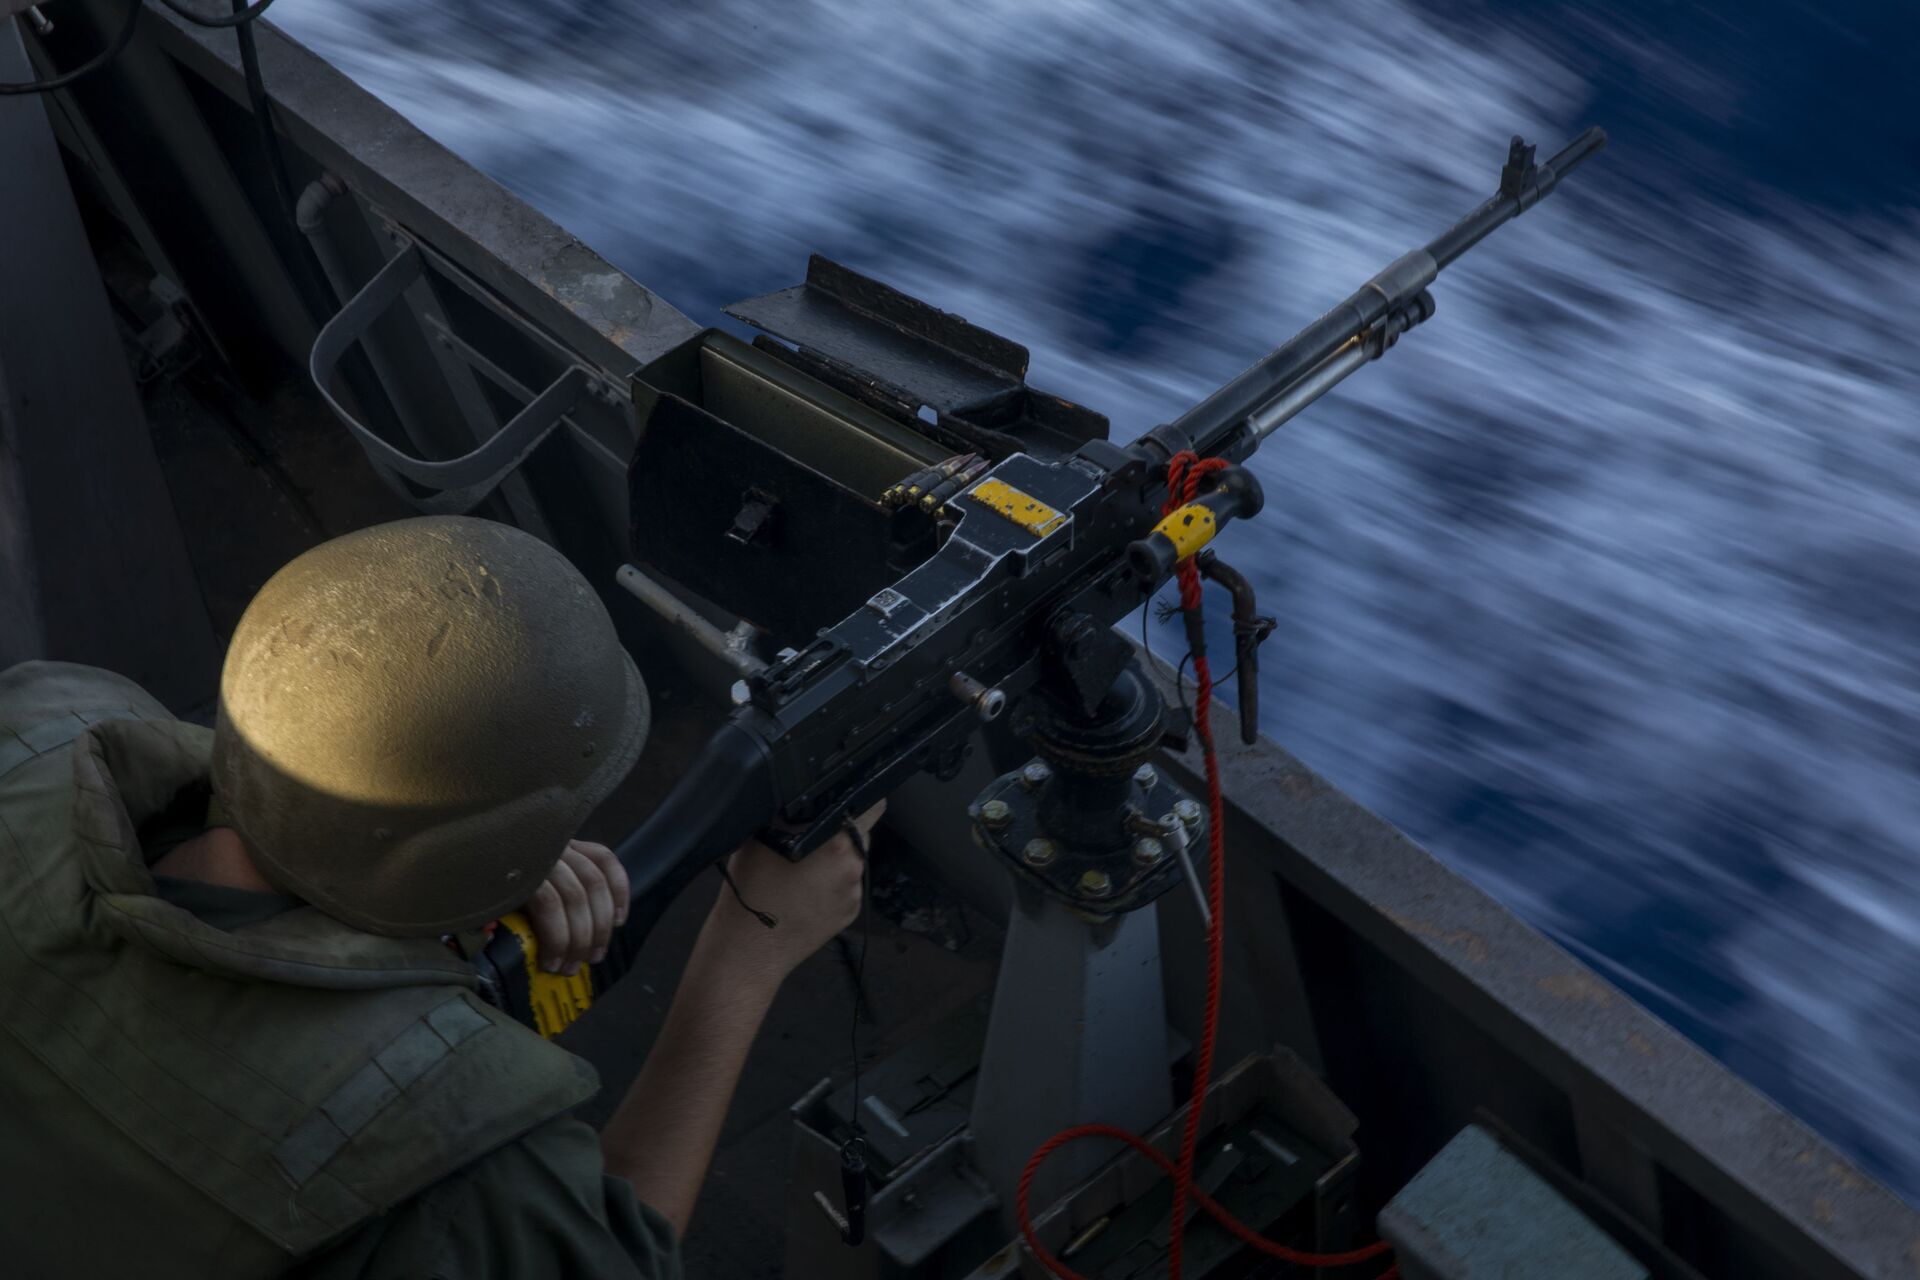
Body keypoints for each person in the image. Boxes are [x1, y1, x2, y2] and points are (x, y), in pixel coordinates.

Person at [0, 514, 880, 1278]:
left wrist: (457, 893)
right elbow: (620, 1257)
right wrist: (743, 959)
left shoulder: (46, 715)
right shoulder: (451, 1163)